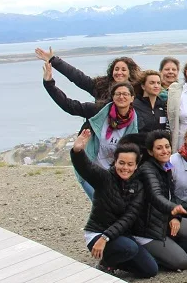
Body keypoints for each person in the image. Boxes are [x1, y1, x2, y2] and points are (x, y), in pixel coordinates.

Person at [43, 62, 139, 200]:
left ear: (132, 98)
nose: (121, 97)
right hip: (91, 170)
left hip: (117, 173)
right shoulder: (98, 111)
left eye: (125, 94)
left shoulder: (135, 120)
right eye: (118, 94)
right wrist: (49, 83)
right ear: (112, 97)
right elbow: (69, 105)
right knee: (102, 207)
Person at [70, 129, 157, 278]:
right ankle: (105, 263)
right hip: (97, 233)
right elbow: (86, 168)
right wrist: (77, 151)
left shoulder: (138, 186)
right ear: (115, 162)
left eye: (130, 164)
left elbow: (129, 217)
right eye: (121, 163)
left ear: (136, 166)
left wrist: (107, 237)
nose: (125, 168)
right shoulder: (104, 178)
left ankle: (114, 261)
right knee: (129, 248)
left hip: (117, 235)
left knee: (150, 270)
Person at [137, 130, 187, 270]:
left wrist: (175, 216)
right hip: (147, 228)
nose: (165, 151)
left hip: (162, 218)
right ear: (150, 152)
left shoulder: (166, 166)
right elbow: (156, 195)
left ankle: (167, 245)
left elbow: (170, 195)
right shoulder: (147, 170)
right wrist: (172, 210)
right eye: (159, 148)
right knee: (182, 262)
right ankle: (142, 251)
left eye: (167, 147)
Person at [35, 47, 141, 103]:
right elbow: (75, 76)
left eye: (123, 70)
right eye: (116, 69)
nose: (119, 72)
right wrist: (54, 61)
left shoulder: (139, 91)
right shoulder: (100, 87)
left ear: (130, 73)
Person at [133, 69, 168, 141]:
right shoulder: (134, 105)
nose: (156, 86)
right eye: (152, 83)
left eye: (158, 83)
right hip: (140, 148)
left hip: (159, 149)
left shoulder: (164, 105)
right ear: (143, 86)